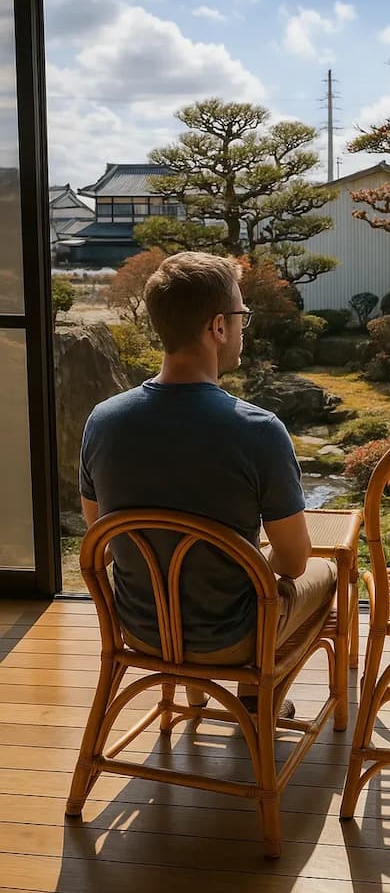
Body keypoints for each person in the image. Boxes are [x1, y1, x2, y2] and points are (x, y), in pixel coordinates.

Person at [79, 250, 337, 716]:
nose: (244, 326)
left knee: (237, 565)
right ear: (218, 327)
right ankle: (260, 696)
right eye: (242, 315)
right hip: (232, 639)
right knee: (329, 573)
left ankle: (196, 689)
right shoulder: (258, 430)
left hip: (138, 628)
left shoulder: (103, 421)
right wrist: (253, 559)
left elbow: (100, 534)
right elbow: (295, 562)